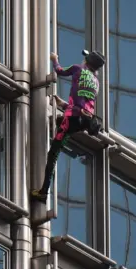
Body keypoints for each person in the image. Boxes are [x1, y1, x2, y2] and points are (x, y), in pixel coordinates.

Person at [31, 50, 106, 202]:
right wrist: (62, 104)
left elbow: (59, 71)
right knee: (60, 137)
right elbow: (84, 104)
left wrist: (54, 59)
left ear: (87, 61)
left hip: (72, 118)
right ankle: (57, 124)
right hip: (85, 121)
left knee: (53, 154)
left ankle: (43, 192)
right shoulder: (96, 83)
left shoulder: (78, 69)